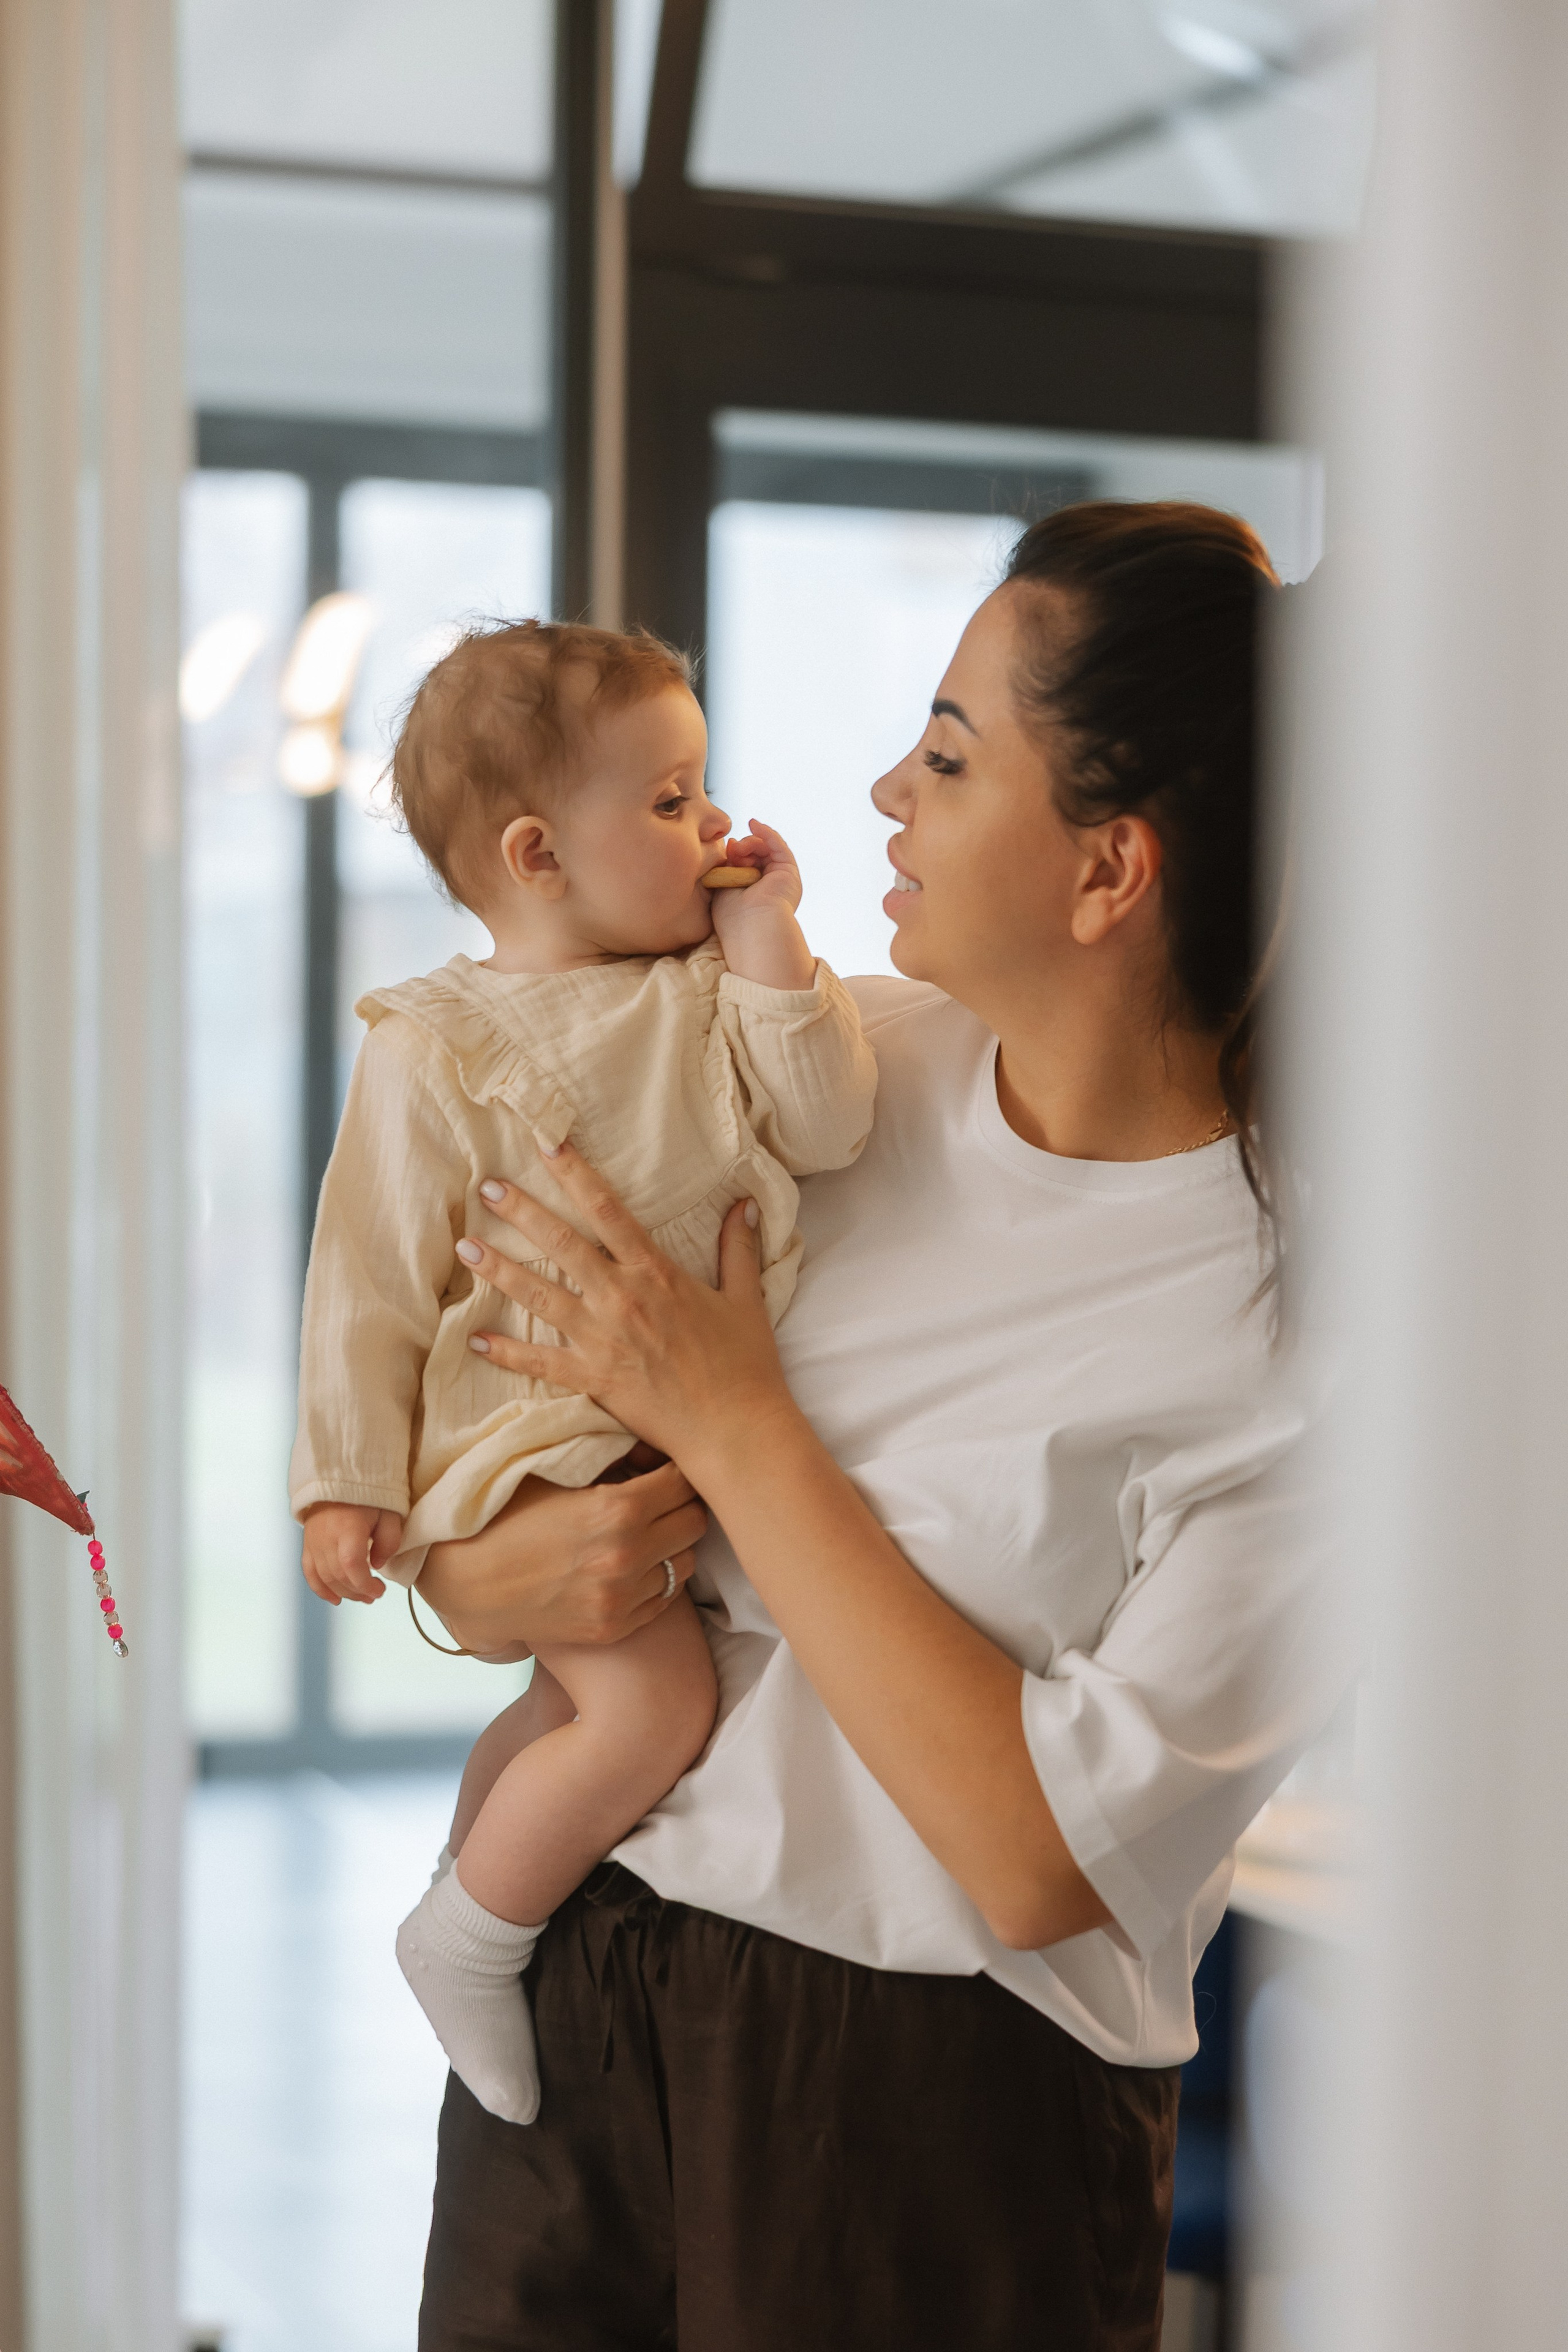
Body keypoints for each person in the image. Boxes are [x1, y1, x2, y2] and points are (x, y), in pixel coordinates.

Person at [412, 503, 1342, 2352]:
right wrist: (471, 1580)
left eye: (949, 756)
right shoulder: (822, 1069)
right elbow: (546, 1416)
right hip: (581, 1997)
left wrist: (739, 1423)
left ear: (1111, 871)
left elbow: (1038, 1854)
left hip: (929, 2119)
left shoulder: (1310, 1325)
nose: (884, 795)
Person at [288, 619, 876, 2125]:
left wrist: (772, 945)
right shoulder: (435, 1047)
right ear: (539, 854)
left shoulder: (707, 991)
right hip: (527, 1443)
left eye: (701, 789)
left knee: (567, 1710)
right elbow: (365, 1280)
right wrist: (343, 1484)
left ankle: (461, 1887)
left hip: (653, 1435)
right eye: (671, 802)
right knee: (652, 1711)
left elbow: (829, 1125)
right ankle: (469, 1939)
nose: (712, 824)